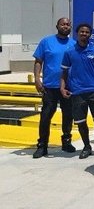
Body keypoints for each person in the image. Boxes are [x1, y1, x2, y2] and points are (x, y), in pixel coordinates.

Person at [60, 23, 94, 159]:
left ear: (90, 34)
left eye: (87, 32)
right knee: (81, 122)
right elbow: (64, 72)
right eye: (82, 32)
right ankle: (87, 146)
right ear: (77, 33)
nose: (84, 34)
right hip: (77, 91)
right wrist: (62, 87)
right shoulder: (69, 52)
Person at [32, 17, 77, 158]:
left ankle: (66, 141)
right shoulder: (46, 42)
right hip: (50, 86)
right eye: (63, 24)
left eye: (68, 24)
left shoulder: (74, 44)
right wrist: (37, 79)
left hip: (68, 86)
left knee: (68, 116)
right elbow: (38, 61)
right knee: (45, 116)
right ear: (57, 26)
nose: (65, 26)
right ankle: (42, 145)